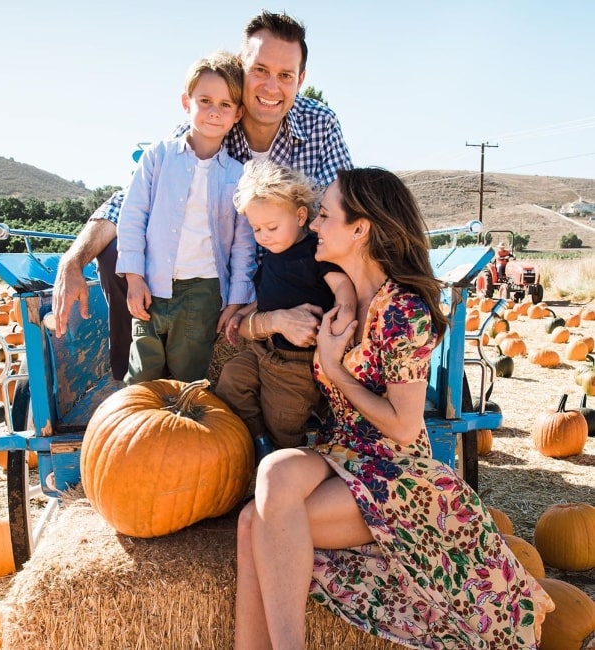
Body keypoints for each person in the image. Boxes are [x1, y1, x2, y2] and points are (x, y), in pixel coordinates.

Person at [234, 168, 554, 649]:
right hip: (344, 453)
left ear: (360, 229)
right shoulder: (334, 292)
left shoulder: (403, 309)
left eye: (324, 215)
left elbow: (405, 428)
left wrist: (333, 368)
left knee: (255, 522)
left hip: (396, 472)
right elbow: (252, 324)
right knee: (274, 474)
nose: (314, 226)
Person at [52, 10, 352, 380]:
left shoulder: (320, 123)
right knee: (115, 252)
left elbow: (345, 208)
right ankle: (127, 387)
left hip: (292, 268)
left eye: (285, 76)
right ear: (241, 67)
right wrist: (73, 260)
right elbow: (128, 202)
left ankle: (319, 371)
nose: (272, 87)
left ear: (300, 79)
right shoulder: (211, 119)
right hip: (219, 272)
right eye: (260, 70)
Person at [115, 51, 255, 384]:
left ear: (237, 114)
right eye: (205, 100)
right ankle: (138, 429)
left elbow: (242, 246)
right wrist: (134, 278)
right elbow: (133, 215)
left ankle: (188, 433)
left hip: (202, 291)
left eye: (225, 105)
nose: (213, 111)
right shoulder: (158, 157)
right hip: (152, 283)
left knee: (191, 373)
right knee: (142, 373)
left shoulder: (238, 175)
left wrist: (236, 300)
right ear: (186, 102)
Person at [214, 160, 355, 463]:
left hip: (296, 361)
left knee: (284, 417)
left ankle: (287, 459)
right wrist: (244, 313)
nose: (263, 236)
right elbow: (268, 298)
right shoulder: (272, 256)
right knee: (231, 381)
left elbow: (342, 285)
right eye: (256, 229)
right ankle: (258, 439)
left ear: (301, 215)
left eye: (272, 227)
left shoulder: (315, 253)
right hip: (262, 349)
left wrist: (344, 316)